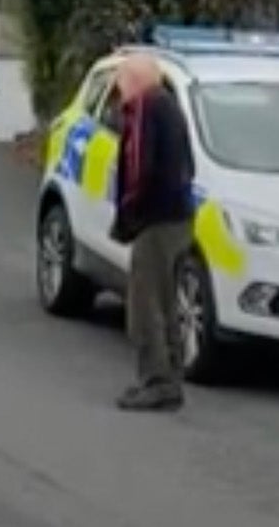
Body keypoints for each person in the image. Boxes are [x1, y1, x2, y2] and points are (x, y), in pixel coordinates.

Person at [111, 52, 195, 411]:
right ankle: (170, 378)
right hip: (177, 216)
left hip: (157, 218)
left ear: (135, 79)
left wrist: (129, 214)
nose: (117, 87)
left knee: (146, 304)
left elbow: (138, 166)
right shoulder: (170, 107)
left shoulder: (147, 108)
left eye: (120, 78)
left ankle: (156, 381)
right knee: (165, 299)